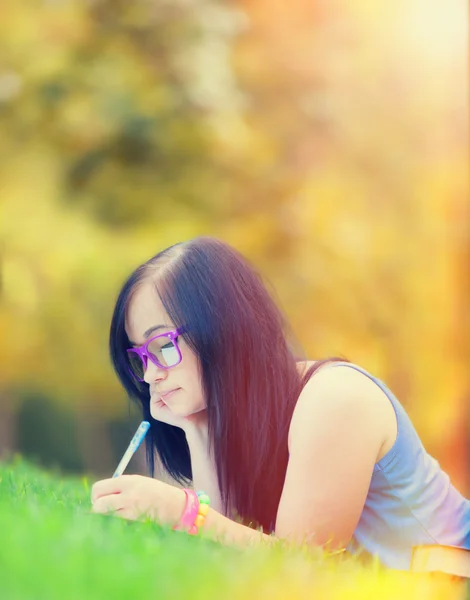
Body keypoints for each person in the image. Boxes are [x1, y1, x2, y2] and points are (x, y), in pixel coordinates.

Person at [91, 236, 470, 571]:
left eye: (163, 346)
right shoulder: (249, 420)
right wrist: (195, 425)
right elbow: (224, 547)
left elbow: (299, 566)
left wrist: (183, 512)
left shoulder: (334, 398)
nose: (151, 374)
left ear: (224, 330)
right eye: (141, 356)